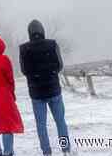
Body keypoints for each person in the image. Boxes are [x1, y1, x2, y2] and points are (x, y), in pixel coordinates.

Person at [19, 19, 71, 156]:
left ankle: (46, 152)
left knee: (41, 126)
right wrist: (50, 73)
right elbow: (59, 65)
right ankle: (65, 150)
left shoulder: (24, 49)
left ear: (29, 33)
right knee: (60, 121)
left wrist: (35, 76)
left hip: (36, 93)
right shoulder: (52, 44)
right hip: (54, 90)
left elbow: (24, 70)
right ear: (42, 31)